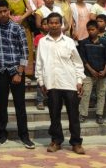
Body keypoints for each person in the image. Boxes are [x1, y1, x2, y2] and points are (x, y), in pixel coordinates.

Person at [36, 12, 86, 154]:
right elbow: (39, 63)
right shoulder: (42, 42)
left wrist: (79, 81)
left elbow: (77, 63)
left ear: (61, 24)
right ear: (47, 25)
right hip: (51, 83)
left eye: (56, 22)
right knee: (54, 114)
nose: (54, 25)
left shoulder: (69, 41)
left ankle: (76, 142)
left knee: (73, 115)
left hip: (69, 82)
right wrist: (41, 81)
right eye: (51, 22)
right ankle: (56, 141)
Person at [0, 0, 35, 149]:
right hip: (1, 71)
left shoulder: (18, 28)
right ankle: (2, 133)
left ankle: (24, 135)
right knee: (2, 104)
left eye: (5, 11)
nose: (3, 14)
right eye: (0, 11)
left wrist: (20, 72)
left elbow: (25, 51)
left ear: (9, 10)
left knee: (20, 104)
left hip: (16, 71)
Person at [77, 20, 106, 124]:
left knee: (101, 94)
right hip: (88, 73)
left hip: (102, 73)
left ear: (98, 30)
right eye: (89, 30)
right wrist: (91, 70)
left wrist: (104, 70)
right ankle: (83, 114)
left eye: (93, 29)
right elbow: (83, 59)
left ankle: (99, 115)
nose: (90, 31)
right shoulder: (83, 43)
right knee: (86, 94)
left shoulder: (105, 42)